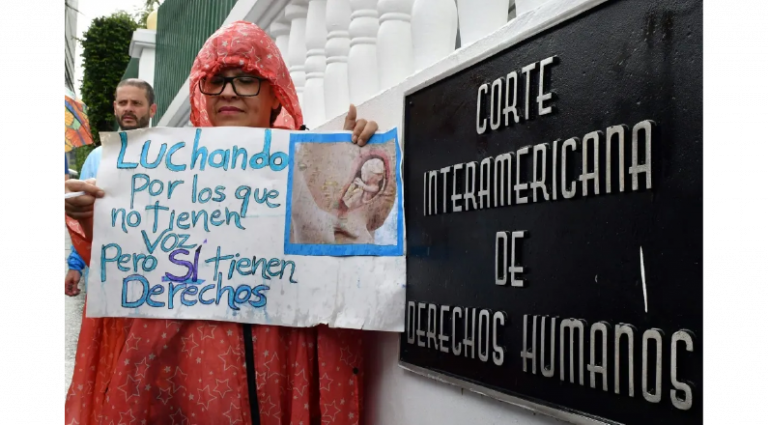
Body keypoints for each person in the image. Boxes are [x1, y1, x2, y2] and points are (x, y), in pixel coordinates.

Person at [63, 21, 379, 425]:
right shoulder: (161, 170)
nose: (228, 91)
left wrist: (355, 157)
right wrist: (93, 219)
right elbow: (128, 267)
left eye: (246, 79)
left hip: (278, 363)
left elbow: (347, 255)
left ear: (276, 96)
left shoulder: (314, 170)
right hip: (177, 371)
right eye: (216, 80)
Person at [63, 79, 157, 297]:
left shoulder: (171, 158)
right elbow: (82, 217)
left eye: (136, 103)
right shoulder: (97, 158)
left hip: (156, 276)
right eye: (123, 103)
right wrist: (75, 265)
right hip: (106, 278)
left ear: (152, 109)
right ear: (115, 107)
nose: (128, 108)